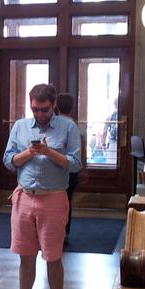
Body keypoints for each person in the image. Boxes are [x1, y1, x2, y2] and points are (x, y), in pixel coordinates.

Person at [0, 83, 81, 289]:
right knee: (25, 256)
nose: (39, 114)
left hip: (53, 198)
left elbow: (75, 164)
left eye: (44, 109)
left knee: (53, 257)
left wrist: (48, 152)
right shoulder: (20, 126)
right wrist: (29, 153)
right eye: (35, 109)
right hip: (24, 197)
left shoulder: (68, 127)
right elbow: (8, 160)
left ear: (53, 105)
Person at [55, 92, 83, 248]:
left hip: (58, 169)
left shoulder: (55, 125)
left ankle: (56, 230)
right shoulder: (74, 125)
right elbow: (80, 150)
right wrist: (83, 168)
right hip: (71, 170)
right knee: (67, 201)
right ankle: (65, 232)